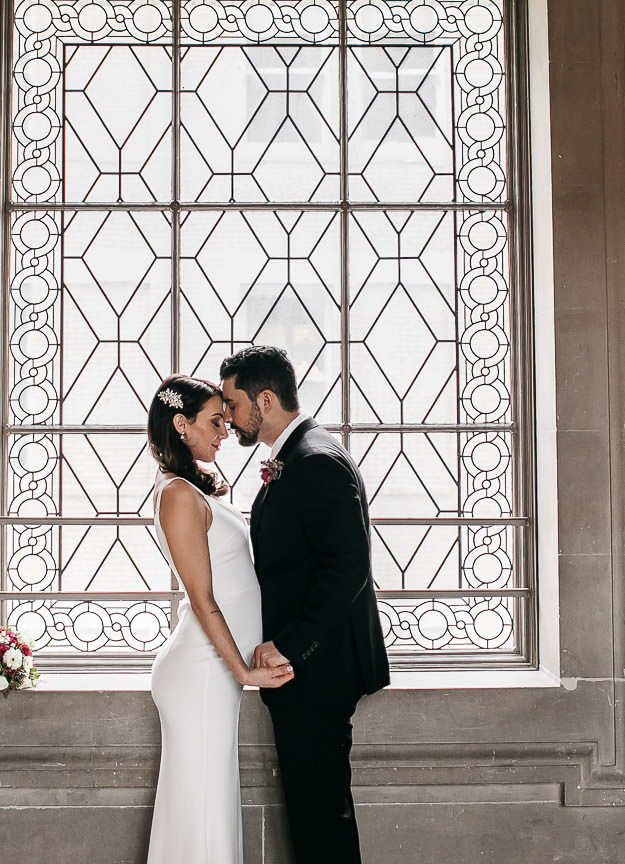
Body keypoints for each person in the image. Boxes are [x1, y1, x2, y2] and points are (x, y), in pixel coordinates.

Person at [220, 346, 391, 864]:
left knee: (321, 816)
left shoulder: (315, 461)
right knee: (313, 812)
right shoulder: (296, 456)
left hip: (318, 669)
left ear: (264, 400)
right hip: (306, 669)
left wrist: (288, 647)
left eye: (232, 403)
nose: (227, 416)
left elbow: (348, 571)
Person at [144, 374, 295, 864]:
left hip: (212, 675)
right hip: (201, 672)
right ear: (181, 425)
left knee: (208, 805)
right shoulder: (177, 496)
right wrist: (244, 670)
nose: (225, 431)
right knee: (203, 808)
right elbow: (203, 598)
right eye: (214, 421)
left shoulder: (194, 489)